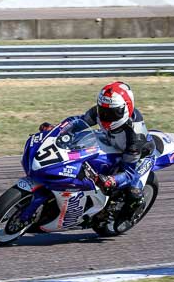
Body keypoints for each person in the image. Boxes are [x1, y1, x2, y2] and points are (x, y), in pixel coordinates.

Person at [39, 81, 155, 209]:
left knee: (132, 192)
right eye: (103, 110)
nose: (105, 116)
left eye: (112, 113)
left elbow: (128, 173)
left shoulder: (135, 137)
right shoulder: (101, 111)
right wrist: (57, 130)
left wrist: (112, 180)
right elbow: (78, 122)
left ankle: (131, 210)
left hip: (137, 155)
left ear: (126, 109)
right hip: (110, 139)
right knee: (76, 144)